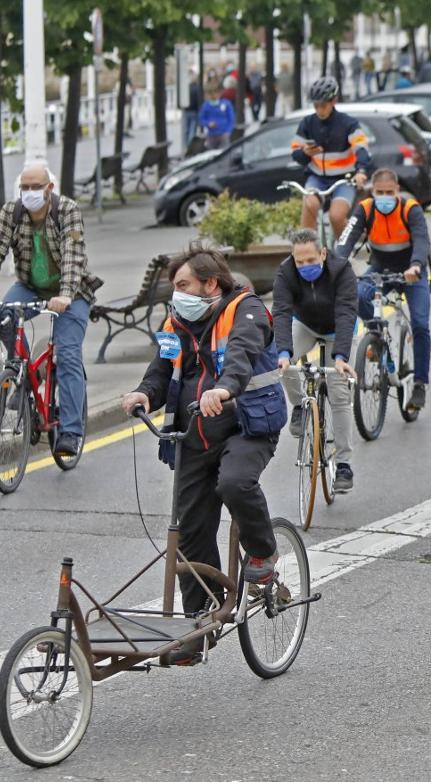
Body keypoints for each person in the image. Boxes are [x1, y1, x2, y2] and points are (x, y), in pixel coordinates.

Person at [120, 248, 282, 662]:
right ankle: (199, 625)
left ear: (210, 284)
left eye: (183, 286)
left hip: (247, 425)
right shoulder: (177, 322)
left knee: (234, 482)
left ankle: (262, 552)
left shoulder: (246, 310)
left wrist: (224, 390)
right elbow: (161, 368)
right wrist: (144, 392)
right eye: (174, 288)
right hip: (196, 434)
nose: (176, 296)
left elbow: (242, 356)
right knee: (189, 529)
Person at [0, 161, 101, 459]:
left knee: (67, 354)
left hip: (73, 292)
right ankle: (23, 378)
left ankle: (70, 430)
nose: (29, 193)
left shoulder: (66, 210)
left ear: (49, 188)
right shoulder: (12, 212)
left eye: (35, 187)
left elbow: (73, 255)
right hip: (30, 286)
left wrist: (65, 295)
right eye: (24, 187)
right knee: (4, 316)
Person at [336, 168, 431, 411]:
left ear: (397, 191)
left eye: (389, 192)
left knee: (420, 324)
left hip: (411, 271)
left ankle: (420, 383)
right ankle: (377, 335)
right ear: (372, 191)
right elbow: (346, 239)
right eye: (380, 192)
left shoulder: (411, 209)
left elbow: (422, 240)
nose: (385, 197)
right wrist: (336, 264)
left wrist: (416, 266)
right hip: (380, 267)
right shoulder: (365, 208)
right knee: (356, 294)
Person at [274, 229, 359, 491]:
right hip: (306, 325)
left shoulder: (342, 270)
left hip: (338, 331)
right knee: (283, 362)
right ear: (293, 258)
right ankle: (299, 405)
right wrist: (283, 352)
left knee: (338, 392)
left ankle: (344, 464)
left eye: (311, 260)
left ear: (323, 253)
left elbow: (346, 313)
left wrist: (341, 357)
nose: (305, 266)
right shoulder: (285, 272)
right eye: (300, 262)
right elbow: (281, 312)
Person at [291, 76, 371, 238]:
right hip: (317, 177)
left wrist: (361, 171)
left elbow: (361, 148)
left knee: (336, 216)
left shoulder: (348, 123)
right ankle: (306, 249)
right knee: (310, 204)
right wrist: (305, 153)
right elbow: (295, 153)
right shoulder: (307, 123)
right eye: (315, 106)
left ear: (334, 101)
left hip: (344, 179)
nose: (319, 110)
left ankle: (344, 253)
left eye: (323, 105)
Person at [198, 83, 235, 150]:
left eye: (215, 92)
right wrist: (208, 124)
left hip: (224, 134)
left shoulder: (226, 104)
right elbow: (201, 119)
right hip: (211, 135)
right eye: (210, 93)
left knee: (224, 152)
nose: (213, 95)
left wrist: (228, 131)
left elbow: (231, 119)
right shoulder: (206, 106)